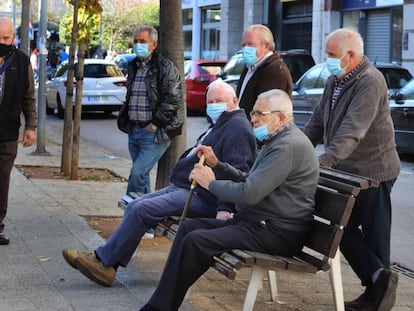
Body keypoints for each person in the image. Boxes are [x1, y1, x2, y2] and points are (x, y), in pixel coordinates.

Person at [62, 79, 258, 287]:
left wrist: (224, 210)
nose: (213, 105)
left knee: (141, 209)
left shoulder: (237, 127)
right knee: (136, 205)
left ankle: (103, 262)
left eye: (219, 100)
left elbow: (237, 174)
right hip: (187, 188)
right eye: (211, 101)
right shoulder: (224, 123)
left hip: (204, 196)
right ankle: (106, 262)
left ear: (234, 100)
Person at [139, 89, 319, 311]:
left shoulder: (287, 146)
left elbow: (249, 193)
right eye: (253, 113)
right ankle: (161, 302)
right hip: (260, 222)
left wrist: (210, 184)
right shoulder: (277, 140)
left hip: (276, 231)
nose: (253, 119)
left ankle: (159, 307)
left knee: (197, 241)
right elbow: (250, 180)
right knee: (188, 229)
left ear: (281, 116)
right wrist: (217, 165)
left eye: (259, 114)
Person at [303, 28, 401, 311]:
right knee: (339, 228)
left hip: (374, 170)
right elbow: (316, 123)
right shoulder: (336, 79)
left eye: (331, 55)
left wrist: (321, 162)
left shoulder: (371, 81)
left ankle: (377, 296)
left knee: (372, 234)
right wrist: (293, 149)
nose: (327, 60)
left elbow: (352, 132)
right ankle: (378, 284)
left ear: (350, 55)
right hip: (348, 171)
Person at [117, 24, 184, 196]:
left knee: (138, 173)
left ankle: (131, 213)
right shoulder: (133, 66)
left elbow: (173, 99)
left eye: (142, 41)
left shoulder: (164, 67)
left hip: (154, 132)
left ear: (153, 44)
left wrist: (155, 124)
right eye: (135, 41)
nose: (138, 45)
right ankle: (147, 219)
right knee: (142, 177)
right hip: (135, 130)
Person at [0, 17, 37, 246]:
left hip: (7, 133)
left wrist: (31, 127)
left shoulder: (22, 61)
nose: (1, 41)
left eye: (5, 37)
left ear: (13, 37)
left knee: (2, 181)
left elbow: (29, 97)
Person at [236, 24, 293, 117]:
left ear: (266, 45)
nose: (245, 49)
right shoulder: (249, 67)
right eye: (243, 45)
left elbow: (266, 110)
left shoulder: (275, 71)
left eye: (250, 44)